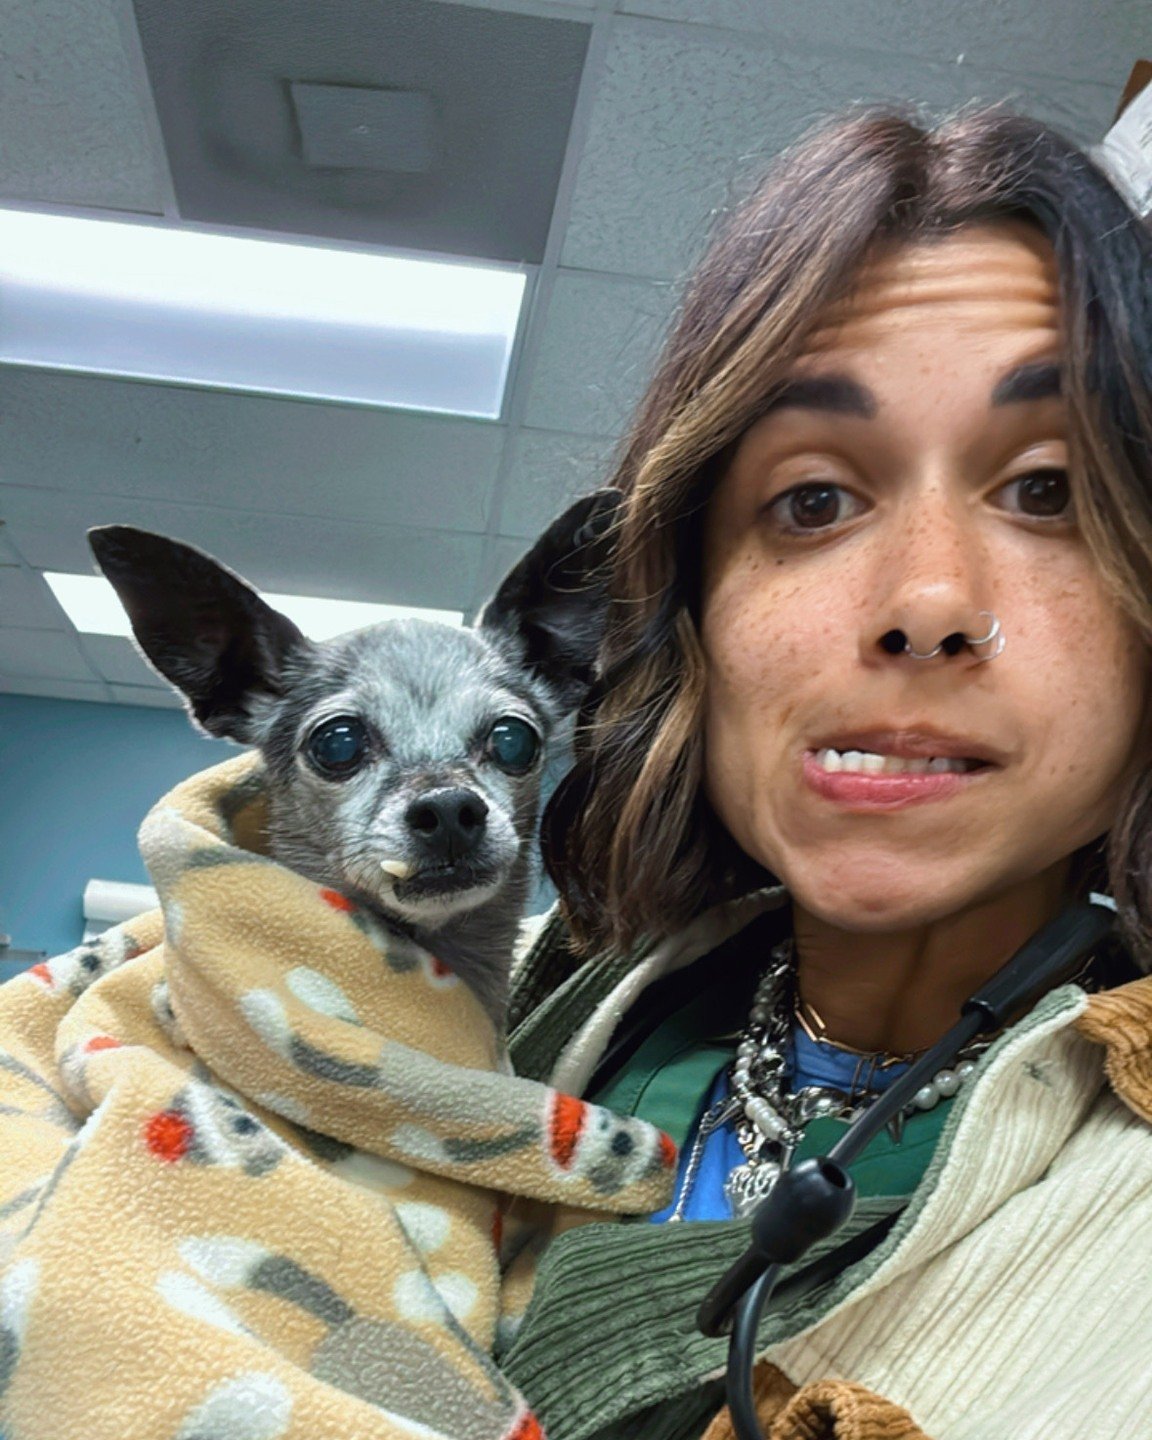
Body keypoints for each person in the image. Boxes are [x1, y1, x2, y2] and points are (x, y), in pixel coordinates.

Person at [496, 106, 1152, 1440]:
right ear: (692, 609)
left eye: (1046, 492)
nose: (926, 601)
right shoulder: (495, 1025)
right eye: (811, 499)